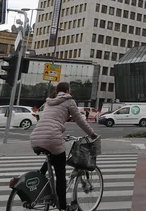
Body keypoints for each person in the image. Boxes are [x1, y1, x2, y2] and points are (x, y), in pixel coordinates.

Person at [30, 82, 98, 211]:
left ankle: (39, 181)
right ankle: (62, 206)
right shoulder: (69, 101)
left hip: (35, 136)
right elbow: (80, 120)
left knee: (52, 157)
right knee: (60, 173)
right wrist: (92, 134)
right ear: (68, 90)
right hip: (52, 137)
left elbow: (49, 119)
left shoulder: (49, 102)